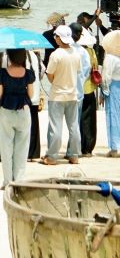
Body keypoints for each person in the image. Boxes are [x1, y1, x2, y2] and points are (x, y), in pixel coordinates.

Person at [43, 24, 83, 165]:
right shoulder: (76, 54)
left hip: (57, 95)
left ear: (60, 38)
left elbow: (50, 75)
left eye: (56, 36)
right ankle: (74, 155)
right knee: (73, 127)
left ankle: (52, 156)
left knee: (55, 127)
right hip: (72, 94)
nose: (55, 38)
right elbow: (77, 72)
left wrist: (56, 82)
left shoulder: (56, 54)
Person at [0, 49, 36, 183]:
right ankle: (19, 180)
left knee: (6, 148)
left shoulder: (1, 73)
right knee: (22, 148)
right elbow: (31, 94)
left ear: (9, 57)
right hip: (23, 110)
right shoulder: (29, 74)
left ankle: (7, 181)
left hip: (6, 110)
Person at [76, 26, 99, 157]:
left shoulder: (73, 51)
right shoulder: (91, 51)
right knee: (89, 119)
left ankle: (77, 145)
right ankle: (88, 148)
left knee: (77, 119)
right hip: (89, 88)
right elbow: (95, 67)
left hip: (77, 89)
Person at [103, 33, 120, 158]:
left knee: (112, 115)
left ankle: (115, 147)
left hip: (113, 87)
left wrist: (104, 91)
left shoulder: (110, 57)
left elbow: (106, 77)